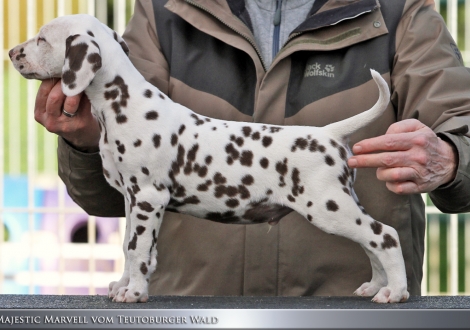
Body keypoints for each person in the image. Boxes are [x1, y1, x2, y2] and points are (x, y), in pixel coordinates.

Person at [35, 0, 470, 297]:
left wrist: (451, 157)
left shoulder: (398, 11)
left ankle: (384, 260)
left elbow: (462, 127)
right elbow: (122, 191)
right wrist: (88, 141)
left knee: (338, 215)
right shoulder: (163, 12)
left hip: (344, 311)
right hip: (192, 308)